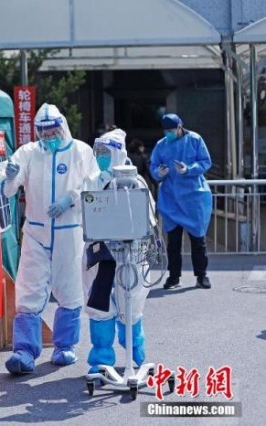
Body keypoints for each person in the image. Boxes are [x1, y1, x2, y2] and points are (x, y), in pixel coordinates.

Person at [0, 103, 98, 374]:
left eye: (53, 131)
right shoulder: (29, 153)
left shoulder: (80, 151)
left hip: (69, 231)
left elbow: (94, 185)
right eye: (44, 133)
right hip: (36, 232)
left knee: (70, 287)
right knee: (29, 287)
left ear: (62, 127)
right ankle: (24, 352)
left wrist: (70, 199)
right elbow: (5, 187)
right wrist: (9, 177)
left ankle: (65, 346)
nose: (49, 137)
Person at [82, 129, 155, 374]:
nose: (101, 156)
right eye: (99, 151)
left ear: (119, 153)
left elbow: (148, 216)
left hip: (132, 253)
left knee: (131, 303)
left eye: (106, 152)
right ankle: (101, 360)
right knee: (99, 304)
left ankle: (136, 354)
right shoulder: (92, 180)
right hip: (101, 253)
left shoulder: (136, 181)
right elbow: (84, 212)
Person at [150, 114, 212, 290]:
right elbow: (153, 166)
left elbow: (205, 162)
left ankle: (202, 276)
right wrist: (159, 173)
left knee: (198, 241)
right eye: (166, 131)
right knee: (173, 243)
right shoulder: (161, 145)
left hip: (193, 198)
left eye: (171, 130)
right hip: (171, 199)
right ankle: (174, 277)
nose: (168, 134)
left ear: (179, 127)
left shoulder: (195, 140)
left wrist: (189, 169)